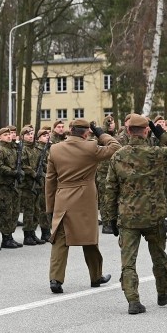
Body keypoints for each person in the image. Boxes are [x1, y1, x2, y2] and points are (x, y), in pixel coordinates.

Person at [102, 114, 167, 315]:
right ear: (146, 131)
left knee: (128, 261)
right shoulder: (156, 153)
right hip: (154, 215)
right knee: (159, 256)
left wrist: (110, 218)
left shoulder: (118, 155)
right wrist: (161, 132)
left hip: (128, 217)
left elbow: (110, 189)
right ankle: (163, 292)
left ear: (128, 131)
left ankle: (133, 301)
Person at [46, 118, 120, 294]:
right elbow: (116, 147)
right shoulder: (91, 147)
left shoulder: (55, 149)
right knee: (90, 238)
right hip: (85, 199)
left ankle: (55, 279)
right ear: (87, 132)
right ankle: (96, 276)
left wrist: (50, 208)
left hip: (63, 199)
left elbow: (50, 181)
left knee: (60, 240)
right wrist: (101, 133)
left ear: (70, 130)